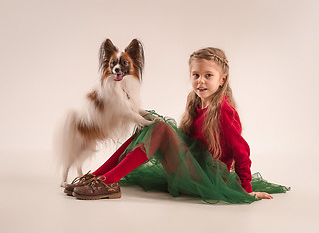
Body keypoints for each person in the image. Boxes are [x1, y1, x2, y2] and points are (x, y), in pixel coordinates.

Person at [64, 47, 289, 203]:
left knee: (160, 128)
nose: (201, 80)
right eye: (196, 74)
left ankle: (108, 181)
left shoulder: (224, 112)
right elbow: (188, 142)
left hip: (209, 178)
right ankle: (99, 176)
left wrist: (247, 191)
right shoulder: (194, 101)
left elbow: (242, 152)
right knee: (152, 124)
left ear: (222, 79)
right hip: (192, 168)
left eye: (208, 75)